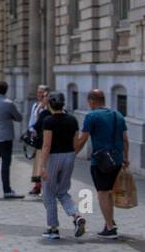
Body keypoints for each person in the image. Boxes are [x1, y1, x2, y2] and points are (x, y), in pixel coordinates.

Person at [75, 88, 129, 239]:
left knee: (103, 193)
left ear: (91, 101)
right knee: (109, 192)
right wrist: (126, 157)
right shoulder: (118, 115)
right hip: (117, 160)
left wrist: (72, 155)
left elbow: (83, 138)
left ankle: (110, 228)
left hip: (101, 162)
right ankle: (109, 222)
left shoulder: (91, 116)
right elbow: (125, 139)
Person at [38, 91, 87, 240]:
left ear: (50, 104)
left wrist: (42, 166)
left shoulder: (48, 121)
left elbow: (46, 145)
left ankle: (53, 228)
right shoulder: (72, 120)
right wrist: (71, 156)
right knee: (63, 191)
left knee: (49, 192)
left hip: (53, 157)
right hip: (69, 155)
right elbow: (76, 143)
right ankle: (76, 216)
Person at [0, 82, 24, 198]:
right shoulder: (8, 103)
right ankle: (6, 190)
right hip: (5, 136)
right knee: (5, 164)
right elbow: (19, 117)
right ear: (6, 90)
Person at [27, 85, 49, 197]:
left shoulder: (48, 109)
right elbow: (32, 119)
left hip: (46, 138)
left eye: (41, 93)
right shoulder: (36, 105)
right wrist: (31, 130)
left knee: (44, 163)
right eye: (38, 92)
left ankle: (45, 186)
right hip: (38, 137)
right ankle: (37, 185)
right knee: (37, 163)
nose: (39, 94)